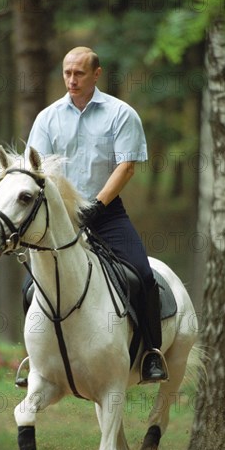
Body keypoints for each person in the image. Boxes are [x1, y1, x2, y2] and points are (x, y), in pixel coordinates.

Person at [24, 46, 166, 382]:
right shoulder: (47, 118)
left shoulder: (121, 113)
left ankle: (151, 355)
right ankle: (34, 360)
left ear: (96, 74)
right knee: (31, 286)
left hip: (107, 213)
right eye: (66, 73)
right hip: (60, 218)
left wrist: (97, 207)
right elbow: (36, 170)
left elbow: (126, 166)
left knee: (143, 277)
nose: (71, 80)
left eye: (79, 74)